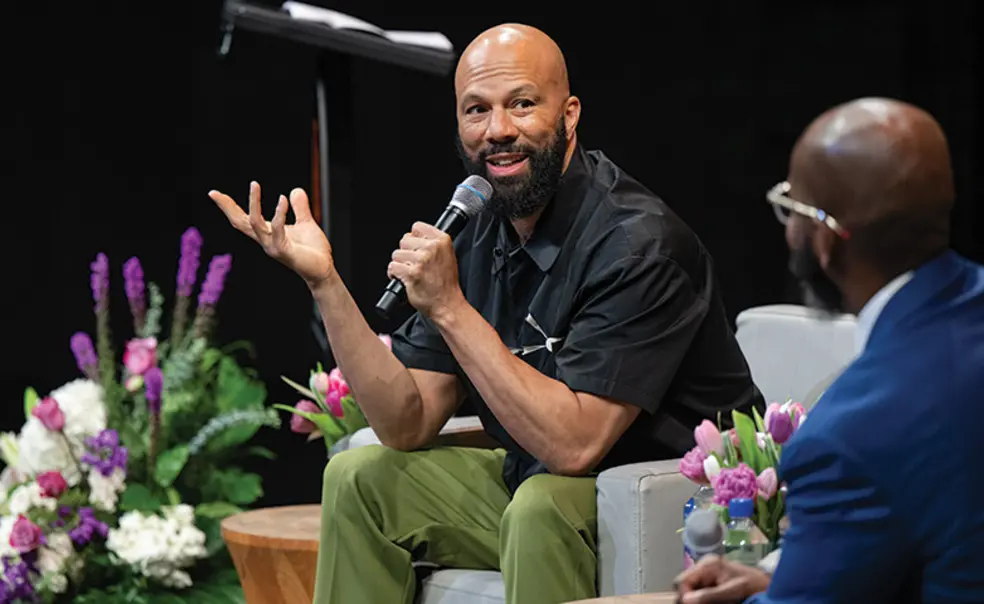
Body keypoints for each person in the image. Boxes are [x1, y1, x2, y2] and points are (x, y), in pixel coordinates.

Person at [210, 23, 761, 604]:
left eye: (522, 104)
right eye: (476, 110)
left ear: (569, 115)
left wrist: (449, 306)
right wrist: (325, 281)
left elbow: (575, 447)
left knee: (540, 505)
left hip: (678, 494)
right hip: (543, 482)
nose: (498, 131)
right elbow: (407, 421)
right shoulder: (478, 228)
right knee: (358, 479)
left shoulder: (639, 244)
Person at [675, 97, 984, 603]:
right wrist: (784, 576)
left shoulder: (848, 435)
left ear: (824, 240)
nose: (788, 227)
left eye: (791, 207)